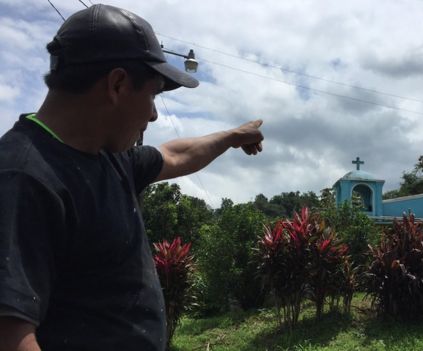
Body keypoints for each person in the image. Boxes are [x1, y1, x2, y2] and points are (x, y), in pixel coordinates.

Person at [0, 4, 263, 351]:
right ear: (118, 84)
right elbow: (11, 336)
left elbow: (174, 155)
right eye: (152, 94)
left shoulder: (108, 158)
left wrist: (231, 136)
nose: (153, 114)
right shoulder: (23, 177)